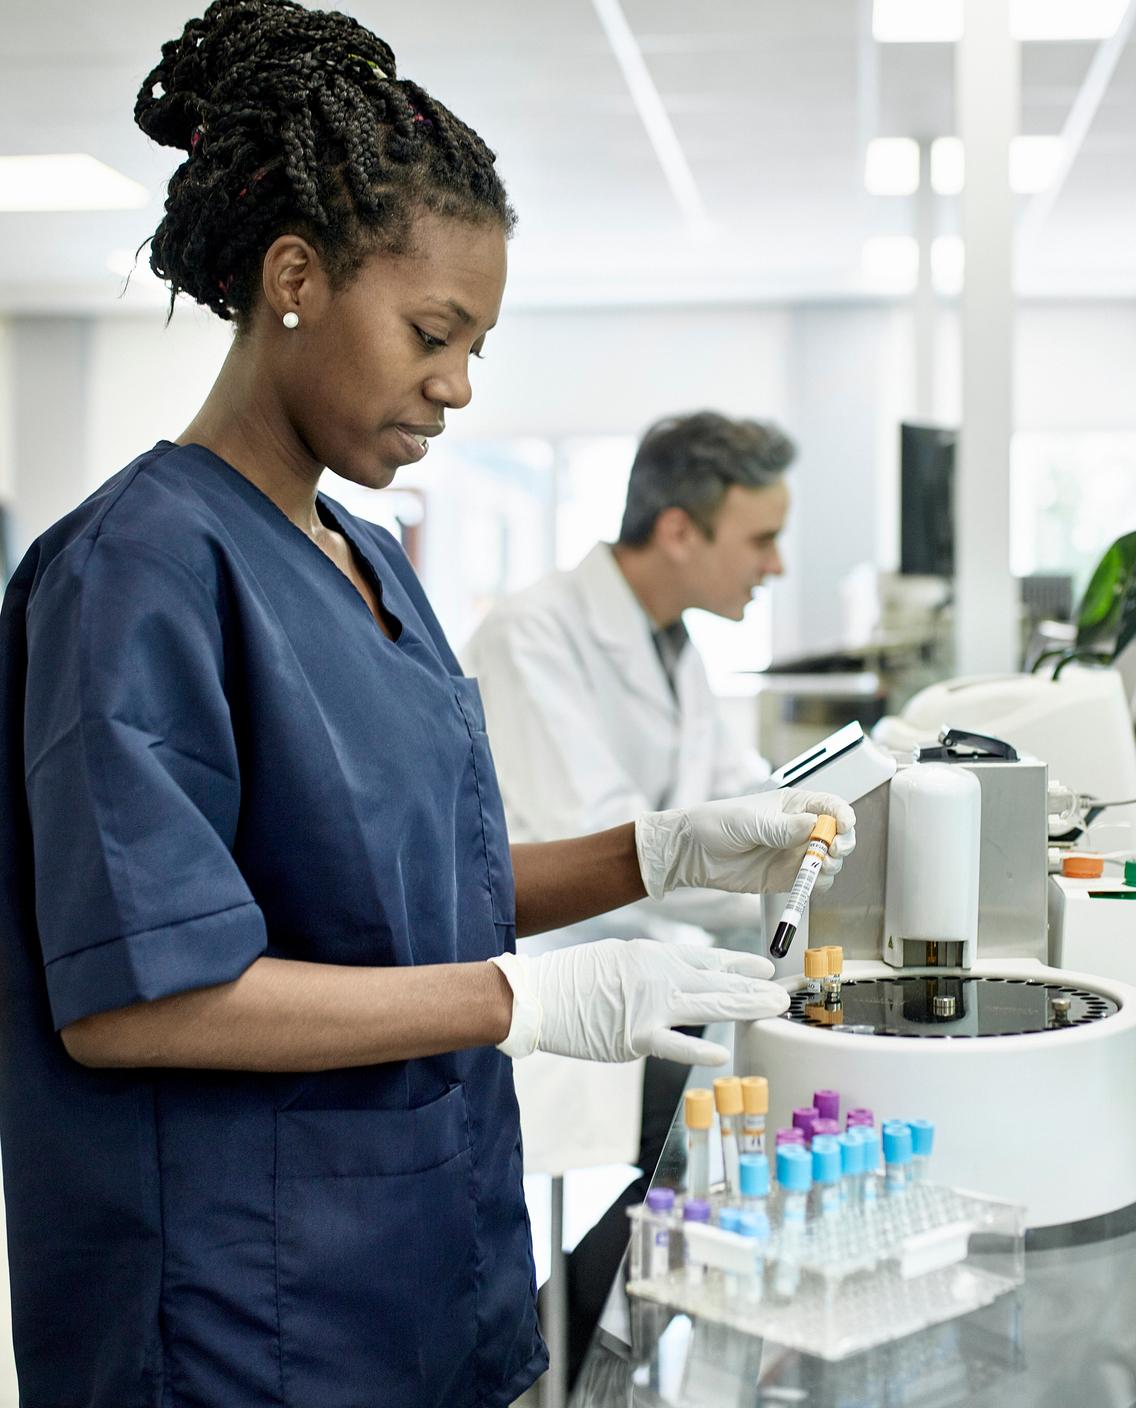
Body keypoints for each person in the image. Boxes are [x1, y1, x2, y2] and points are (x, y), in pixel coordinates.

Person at [0, 4, 856, 1405]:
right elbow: (139, 1000)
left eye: (478, 344)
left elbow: (414, 897)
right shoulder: (135, 569)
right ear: (293, 277)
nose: (457, 386)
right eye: (431, 332)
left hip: (419, 1253)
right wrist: (519, 998)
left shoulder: (370, 562)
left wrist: (657, 853)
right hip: (238, 1308)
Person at [465, 410, 796, 1372]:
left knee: (733, 1124)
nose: (773, 564)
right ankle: (556, 1358)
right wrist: (765, 880)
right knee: (733, 1120)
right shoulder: (536, 633)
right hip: (558, 979)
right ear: (682, 530)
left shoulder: (671, 640)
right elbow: (603, 850)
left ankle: (581, 1350)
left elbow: (734, 794)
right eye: (761, 538)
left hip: (650, 952)